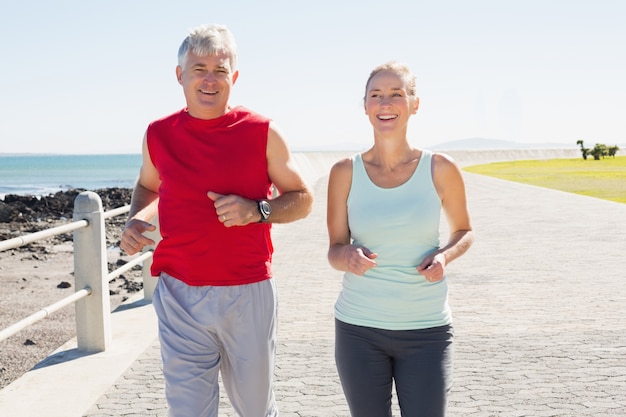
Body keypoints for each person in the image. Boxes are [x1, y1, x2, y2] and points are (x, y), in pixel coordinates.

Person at [120, 24, 313, 417]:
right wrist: (137, 219)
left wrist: (257, 210)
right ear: (180, 75)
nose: (209, 79)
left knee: (256, 409)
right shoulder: (158, 134)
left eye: (220, 70)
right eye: (199, 68)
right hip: (178, 293)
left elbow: (303, 199)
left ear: (234, 77)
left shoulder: (262, 132)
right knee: (188, 411)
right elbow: (147, 186)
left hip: (247, 291)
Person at [326, 61, 474, 417]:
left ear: (414, 104)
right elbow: (334, 249)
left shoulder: (440, 167)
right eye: (376, 95)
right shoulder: (345, 172)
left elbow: (464, 231)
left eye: (396, 94)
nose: (385, 104)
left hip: (426, 330)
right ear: (365, 106)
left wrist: (445, 257)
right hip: (358, 330)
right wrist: (347, 256)